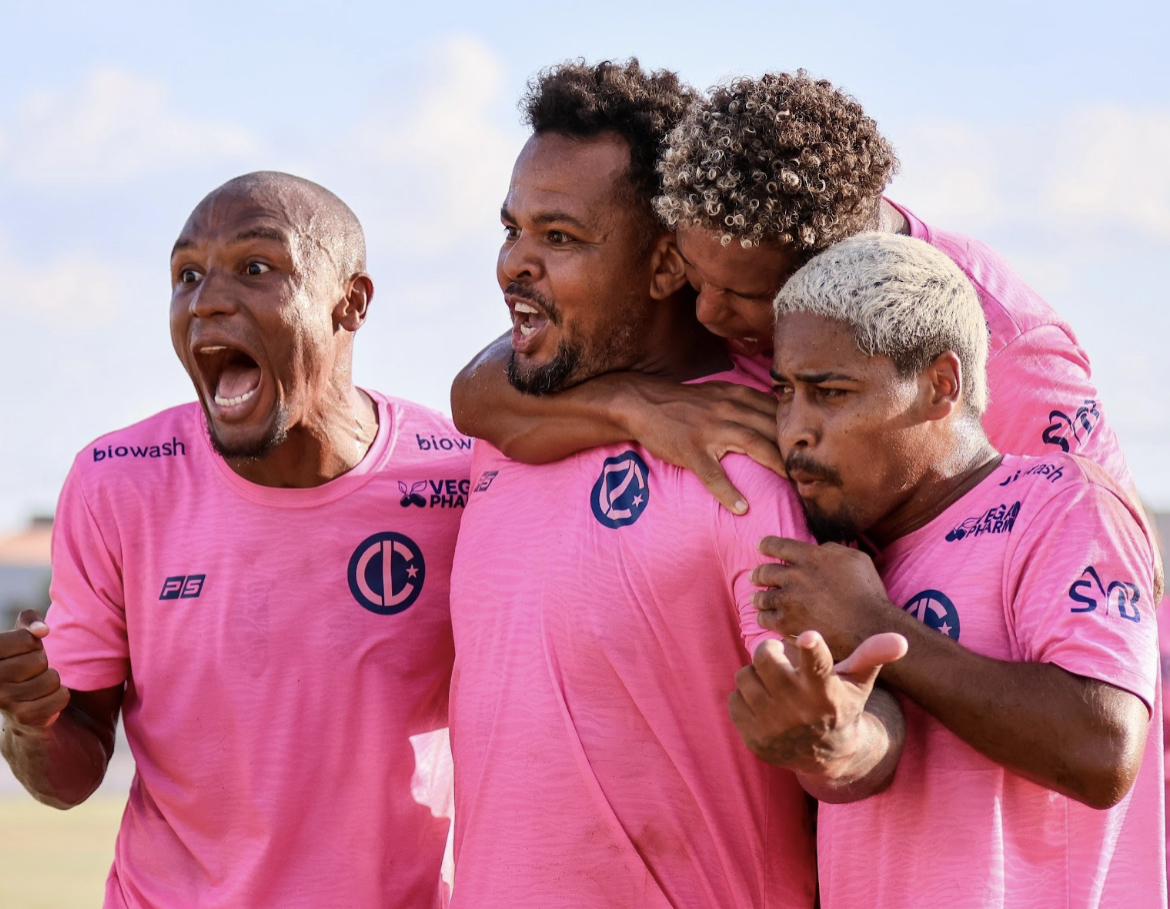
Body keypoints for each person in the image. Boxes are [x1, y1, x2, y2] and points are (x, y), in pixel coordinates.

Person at [446, 59, 899, 908]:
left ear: (667, 264)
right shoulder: (508, 432)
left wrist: (836, 742)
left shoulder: (751, 460)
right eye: (513, 229)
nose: (515, 263)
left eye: (560, 237)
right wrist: (632, 405)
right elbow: (470, 394)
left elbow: (848, 735)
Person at [0, 172, 469, 909]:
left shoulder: (460, 480)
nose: (207, 300)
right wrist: (27, 724)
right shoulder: (116, 480)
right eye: (186, 275)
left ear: (352, 301)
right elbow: (71, 770)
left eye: (257, 267)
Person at [452, 70, 1133, 511]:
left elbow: (1114, 550)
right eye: (694, 276)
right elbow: (477, 394)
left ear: (828, 266)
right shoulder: (733, 255)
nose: (706, 312)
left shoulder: (1006, 345)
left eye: (740, 298)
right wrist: (638, 408)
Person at [733, 231, 1164, 909]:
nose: (795, 430)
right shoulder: (845, 564)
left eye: (831, 392)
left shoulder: (1062, 504)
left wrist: (875, 624)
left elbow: (1102, 746)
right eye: (785, 393)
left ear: (942, 384)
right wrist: (816, 739)